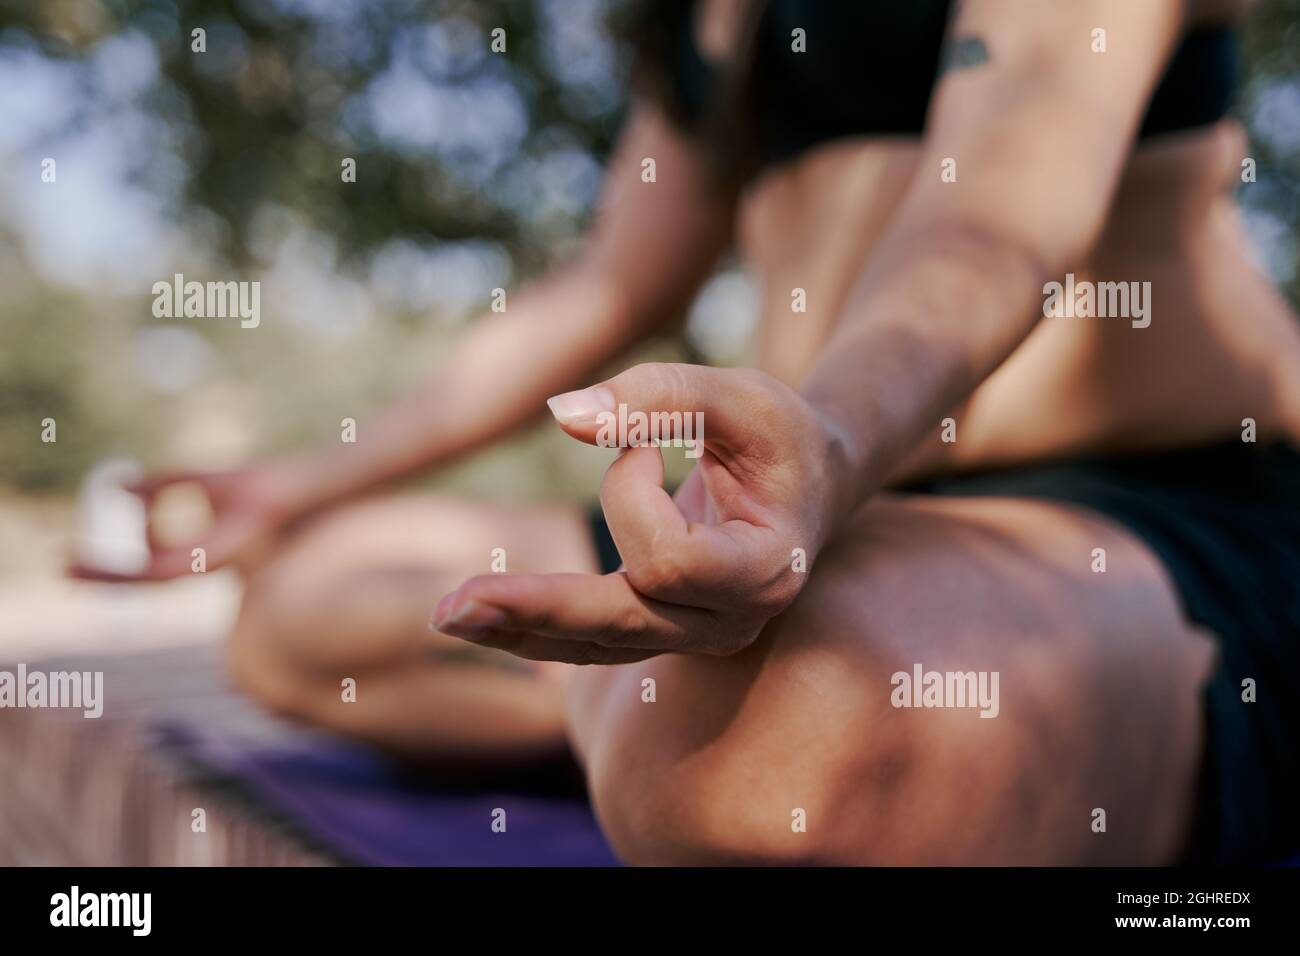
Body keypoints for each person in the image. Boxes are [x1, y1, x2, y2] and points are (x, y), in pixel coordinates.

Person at [76, 0, 1300, 864]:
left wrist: (823, 434)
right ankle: (646, 684)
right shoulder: (707, 15)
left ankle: (667, 703)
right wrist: (294, 486)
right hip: (839, 511)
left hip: (1133, 509)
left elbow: (992, 222)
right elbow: (608, 285)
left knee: (763, 767)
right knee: (302, 604)